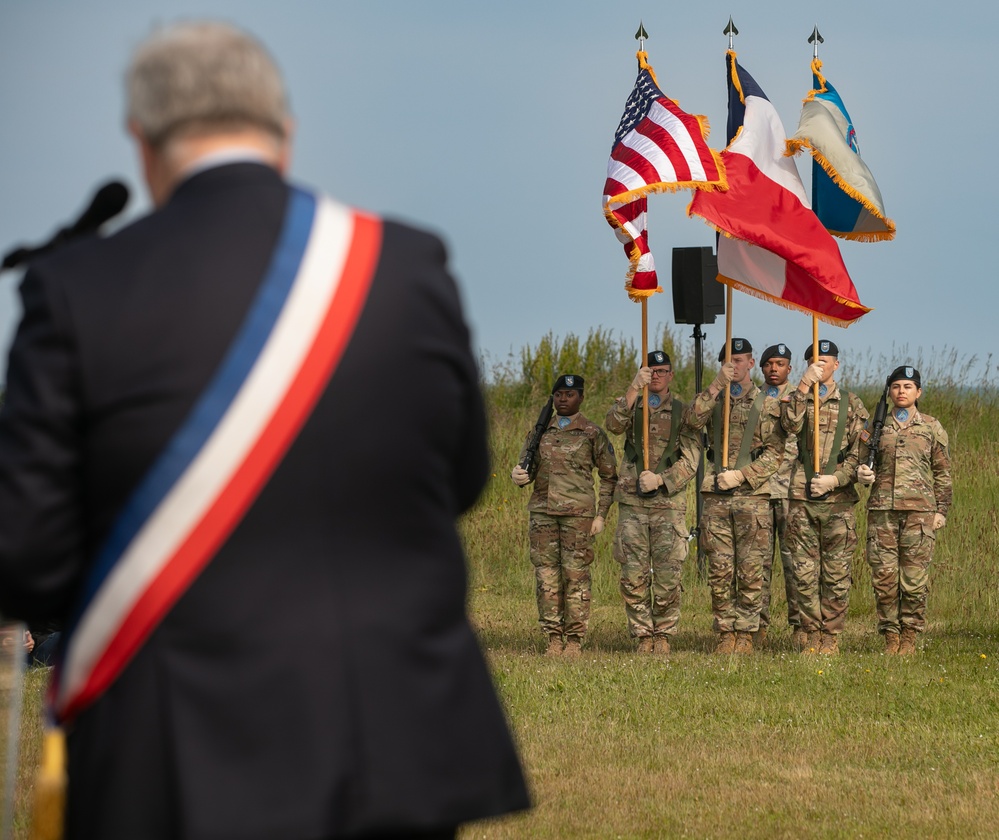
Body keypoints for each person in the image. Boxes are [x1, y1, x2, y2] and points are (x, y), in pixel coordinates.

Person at [0, 22, 528, 839]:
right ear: (284, 130)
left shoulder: (76, 289)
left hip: (175, 751)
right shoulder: (404, 266)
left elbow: (27, 557)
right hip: (388, 738)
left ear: (141, 142)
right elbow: (458, 481)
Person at [684, 338, 787, 655]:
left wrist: (742, 475)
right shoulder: (713, 400)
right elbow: (690, 421)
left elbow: (776, 454)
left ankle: (747, 633)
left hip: (751, 496)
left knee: (751, 569)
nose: (736, 365)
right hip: (716, 497)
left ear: (752, 363)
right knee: (720, 569)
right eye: (729, 361)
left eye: (741, 360)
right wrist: (716, 385)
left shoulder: (768, 404)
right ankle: (725, 633)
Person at [511, 374, 617, 657]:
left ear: (581, 397)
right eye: (558, 394)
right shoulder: (539, 431)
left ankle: (573, 640)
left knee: (576, 577)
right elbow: (526, 469)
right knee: (546, 577)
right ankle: (553, 638)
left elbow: (609, 476)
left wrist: (601, 515)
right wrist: (518, 475)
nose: (563, 399)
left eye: (569, 395)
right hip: (543, 514)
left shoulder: (592, 433)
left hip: (577, 516)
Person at [604, 351, 699, 654]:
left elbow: (692, 460)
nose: (656, 375)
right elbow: (613, 425)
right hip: (632, 501)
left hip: (668, 503)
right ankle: (643, 634)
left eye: (662, 371)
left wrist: (661, 480)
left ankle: (664, 635)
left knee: (668, 571)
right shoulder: (633, 406)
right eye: (651, 370)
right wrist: (633, 388)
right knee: (633, 572)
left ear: (671, 375)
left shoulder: (684, 412)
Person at [780, 340, 868, 656]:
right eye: (815, 361)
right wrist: (804, 384)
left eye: (827, 360)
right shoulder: (797, 397)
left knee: (836, 574)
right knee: (803, 572)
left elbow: (861, 454)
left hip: (839, 500)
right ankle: (810, 632)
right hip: (801, 496)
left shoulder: (852, 404)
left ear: (837, 365)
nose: (822, 365)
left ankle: (829, 635)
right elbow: (788, 424)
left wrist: (836, 479)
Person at [857, 366, 951, 655]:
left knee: (914, 579)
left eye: (908, 387)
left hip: (919, 515)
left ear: (918, 392)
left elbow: (943, 473)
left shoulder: (931, 427)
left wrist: (941, 510)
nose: (901, 391)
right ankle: (891, 636)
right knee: (884, 578)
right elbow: (858, 462)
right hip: (882, 511)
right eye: (896, 386)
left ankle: (909, 634)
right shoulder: (876, 426)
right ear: (890, 391)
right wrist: (862, 473)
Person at [756, 343, 802, 649]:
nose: (775, 368)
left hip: (790, 489)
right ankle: (756, 625)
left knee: (795, 561)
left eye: (781, 363)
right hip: (756, 489)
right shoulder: (748, 397)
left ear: (790, 368)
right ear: (762, 368)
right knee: (756, 563)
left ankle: (800, 625)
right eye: (770, 363)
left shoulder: (801, 396)